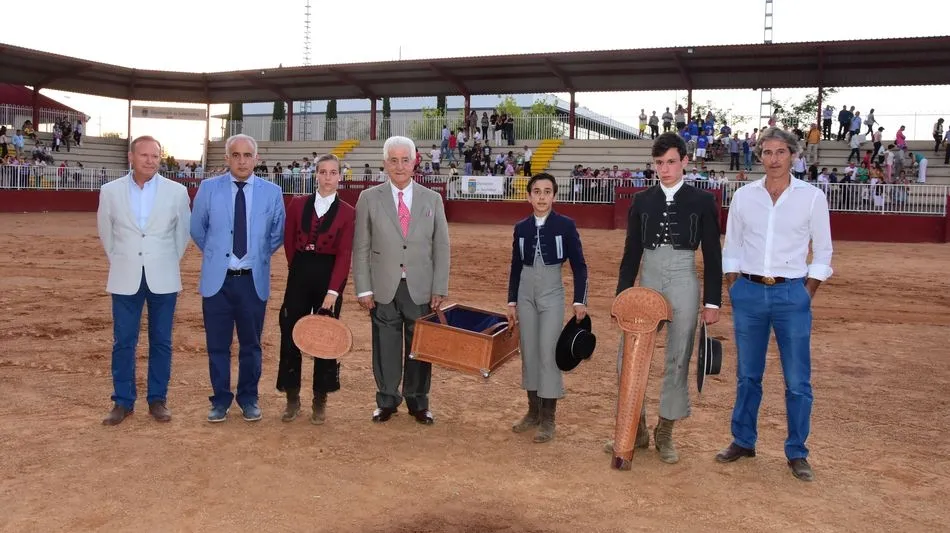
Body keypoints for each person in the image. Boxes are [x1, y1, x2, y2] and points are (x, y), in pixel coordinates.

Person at [715, 127, 833, 483]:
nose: (774, 159)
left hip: (791, 294)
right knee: (747, 375)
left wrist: (806, 291)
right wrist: (734, 286)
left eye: (781, 152)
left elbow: (823, 248)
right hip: (749, 292)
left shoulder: (811, 197)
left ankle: (797, 451)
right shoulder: (744, 197)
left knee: (798, 380)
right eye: (767, 153)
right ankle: (743, 440)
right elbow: (731, 246)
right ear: (759, 156)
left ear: (793, 156)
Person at [604, 132, 722, 463]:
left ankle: (665, 430)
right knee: (628, 356)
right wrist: (622, 293)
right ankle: (636, 429)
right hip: (648, 278)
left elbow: (713, 253)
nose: (665, 169)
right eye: (659, 163)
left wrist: (712, 301)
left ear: (685, 161)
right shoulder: (642, 200)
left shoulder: (702, 201)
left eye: (671, 162)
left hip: (684, 277)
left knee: (678, 356)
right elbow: (631, 251)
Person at [353, 136, 450, 425]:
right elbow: (361, 247)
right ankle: (386, 400)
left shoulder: (432, 199)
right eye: (393, 160)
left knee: (420, 345)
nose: (399, 166)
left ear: (414, 161)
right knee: (385, 343)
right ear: (385, 164)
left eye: (404, 160)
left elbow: (441, 246)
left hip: (421, 286)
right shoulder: (368, 198)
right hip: (382, 285)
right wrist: (363, 287)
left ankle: (418, 402)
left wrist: (440, 287)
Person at [191, 134, 286, 423]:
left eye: (248, 155)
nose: (242, 160)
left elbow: (277, 234)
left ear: (256, 159)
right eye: (236, 155)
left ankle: (248, 398)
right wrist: (220, 254)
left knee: (251, 345)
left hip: (251, 281)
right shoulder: (208, 189)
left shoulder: (272, 192)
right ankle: (220, 400)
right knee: (217, 345)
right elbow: (198, 230)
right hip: (217, 282)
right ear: (227, 158)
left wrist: (254, 255)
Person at [96, 135, 191, 425]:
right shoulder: (110, 191)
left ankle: (157, 399)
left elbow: (182, 235)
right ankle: (122, 401)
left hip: (163, 274)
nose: (150, 161)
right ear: (131, 157)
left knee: (161, 341)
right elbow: (106, 234)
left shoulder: (176, 192)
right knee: (123, 341)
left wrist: (163, 261)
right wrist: (124, 260)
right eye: (144, 155)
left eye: (155, 156)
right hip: (125, 275)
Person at [506, 173, 589, 444]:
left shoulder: (565, 225)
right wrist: (512, 301)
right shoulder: (521, 227)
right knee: (529, 351)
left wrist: (580, 300)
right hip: (525, 293)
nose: (541, 197)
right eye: (537, 192)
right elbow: (516, 266)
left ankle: (549, 418)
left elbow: (579, 264)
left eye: (547, 191)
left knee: (548, 352)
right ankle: (533, 412)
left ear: (554, 195)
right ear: (529, 196)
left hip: (552, 293)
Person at [276, 154, 355, 424]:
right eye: (323, 172)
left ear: (339, 177)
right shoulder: (297, 204)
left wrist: (333, 291)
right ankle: (292, 397)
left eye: (333, 172)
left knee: (326, 338)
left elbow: (345, 254)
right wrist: (297, 269)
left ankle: (320, 399)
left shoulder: (348, 212)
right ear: (316, 175)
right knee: (290, 334)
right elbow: (288, 242)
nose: (328, 177)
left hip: (329, 276)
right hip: (299, 272)